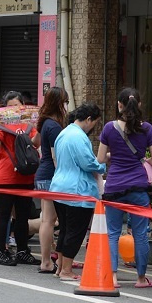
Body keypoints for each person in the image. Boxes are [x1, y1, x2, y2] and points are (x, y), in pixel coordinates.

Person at [97, 87, 152, 287]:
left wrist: (113, 156)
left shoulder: (109, 128)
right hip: (138, 188)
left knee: (113, 233)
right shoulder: (147, 128)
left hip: (114, 186)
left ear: (119, 105)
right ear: (139, 104)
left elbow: (100, 158)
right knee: (140, 234)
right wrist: (143, 161)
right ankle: (141, 278)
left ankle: (113, 277)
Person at [49, 103, 106, 282]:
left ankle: (60, 268)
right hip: (77, 190)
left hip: (59, 187)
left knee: (65, 229)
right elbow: (88, 163)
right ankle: (66, 270)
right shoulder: (79, 137)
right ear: (88, 119)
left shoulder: (63, 133)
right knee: (75, 231)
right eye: (95, 122)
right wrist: (102, 165)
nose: (94, 127)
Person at [0, 91, 39, 266]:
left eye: (17, 105)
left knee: (22, 216)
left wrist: (37, 124)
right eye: (10, 106)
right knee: (3, 214)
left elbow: (36, 144)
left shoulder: (27, 124)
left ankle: (22, 250)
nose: (14, 109)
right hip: (5, 176)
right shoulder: (0, 124)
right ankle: (0, 251)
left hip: (25, 175)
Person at [34, 87, 69, 274]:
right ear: (58, 103)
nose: (67, 105)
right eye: (65, 101)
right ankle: (46, 261)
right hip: (51, 174)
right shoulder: (54, 126)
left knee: (47, 219)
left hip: (43, 173)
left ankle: (47, 259)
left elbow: (34, 142)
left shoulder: (44, 123)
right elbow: (57, 157)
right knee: (49, 219)